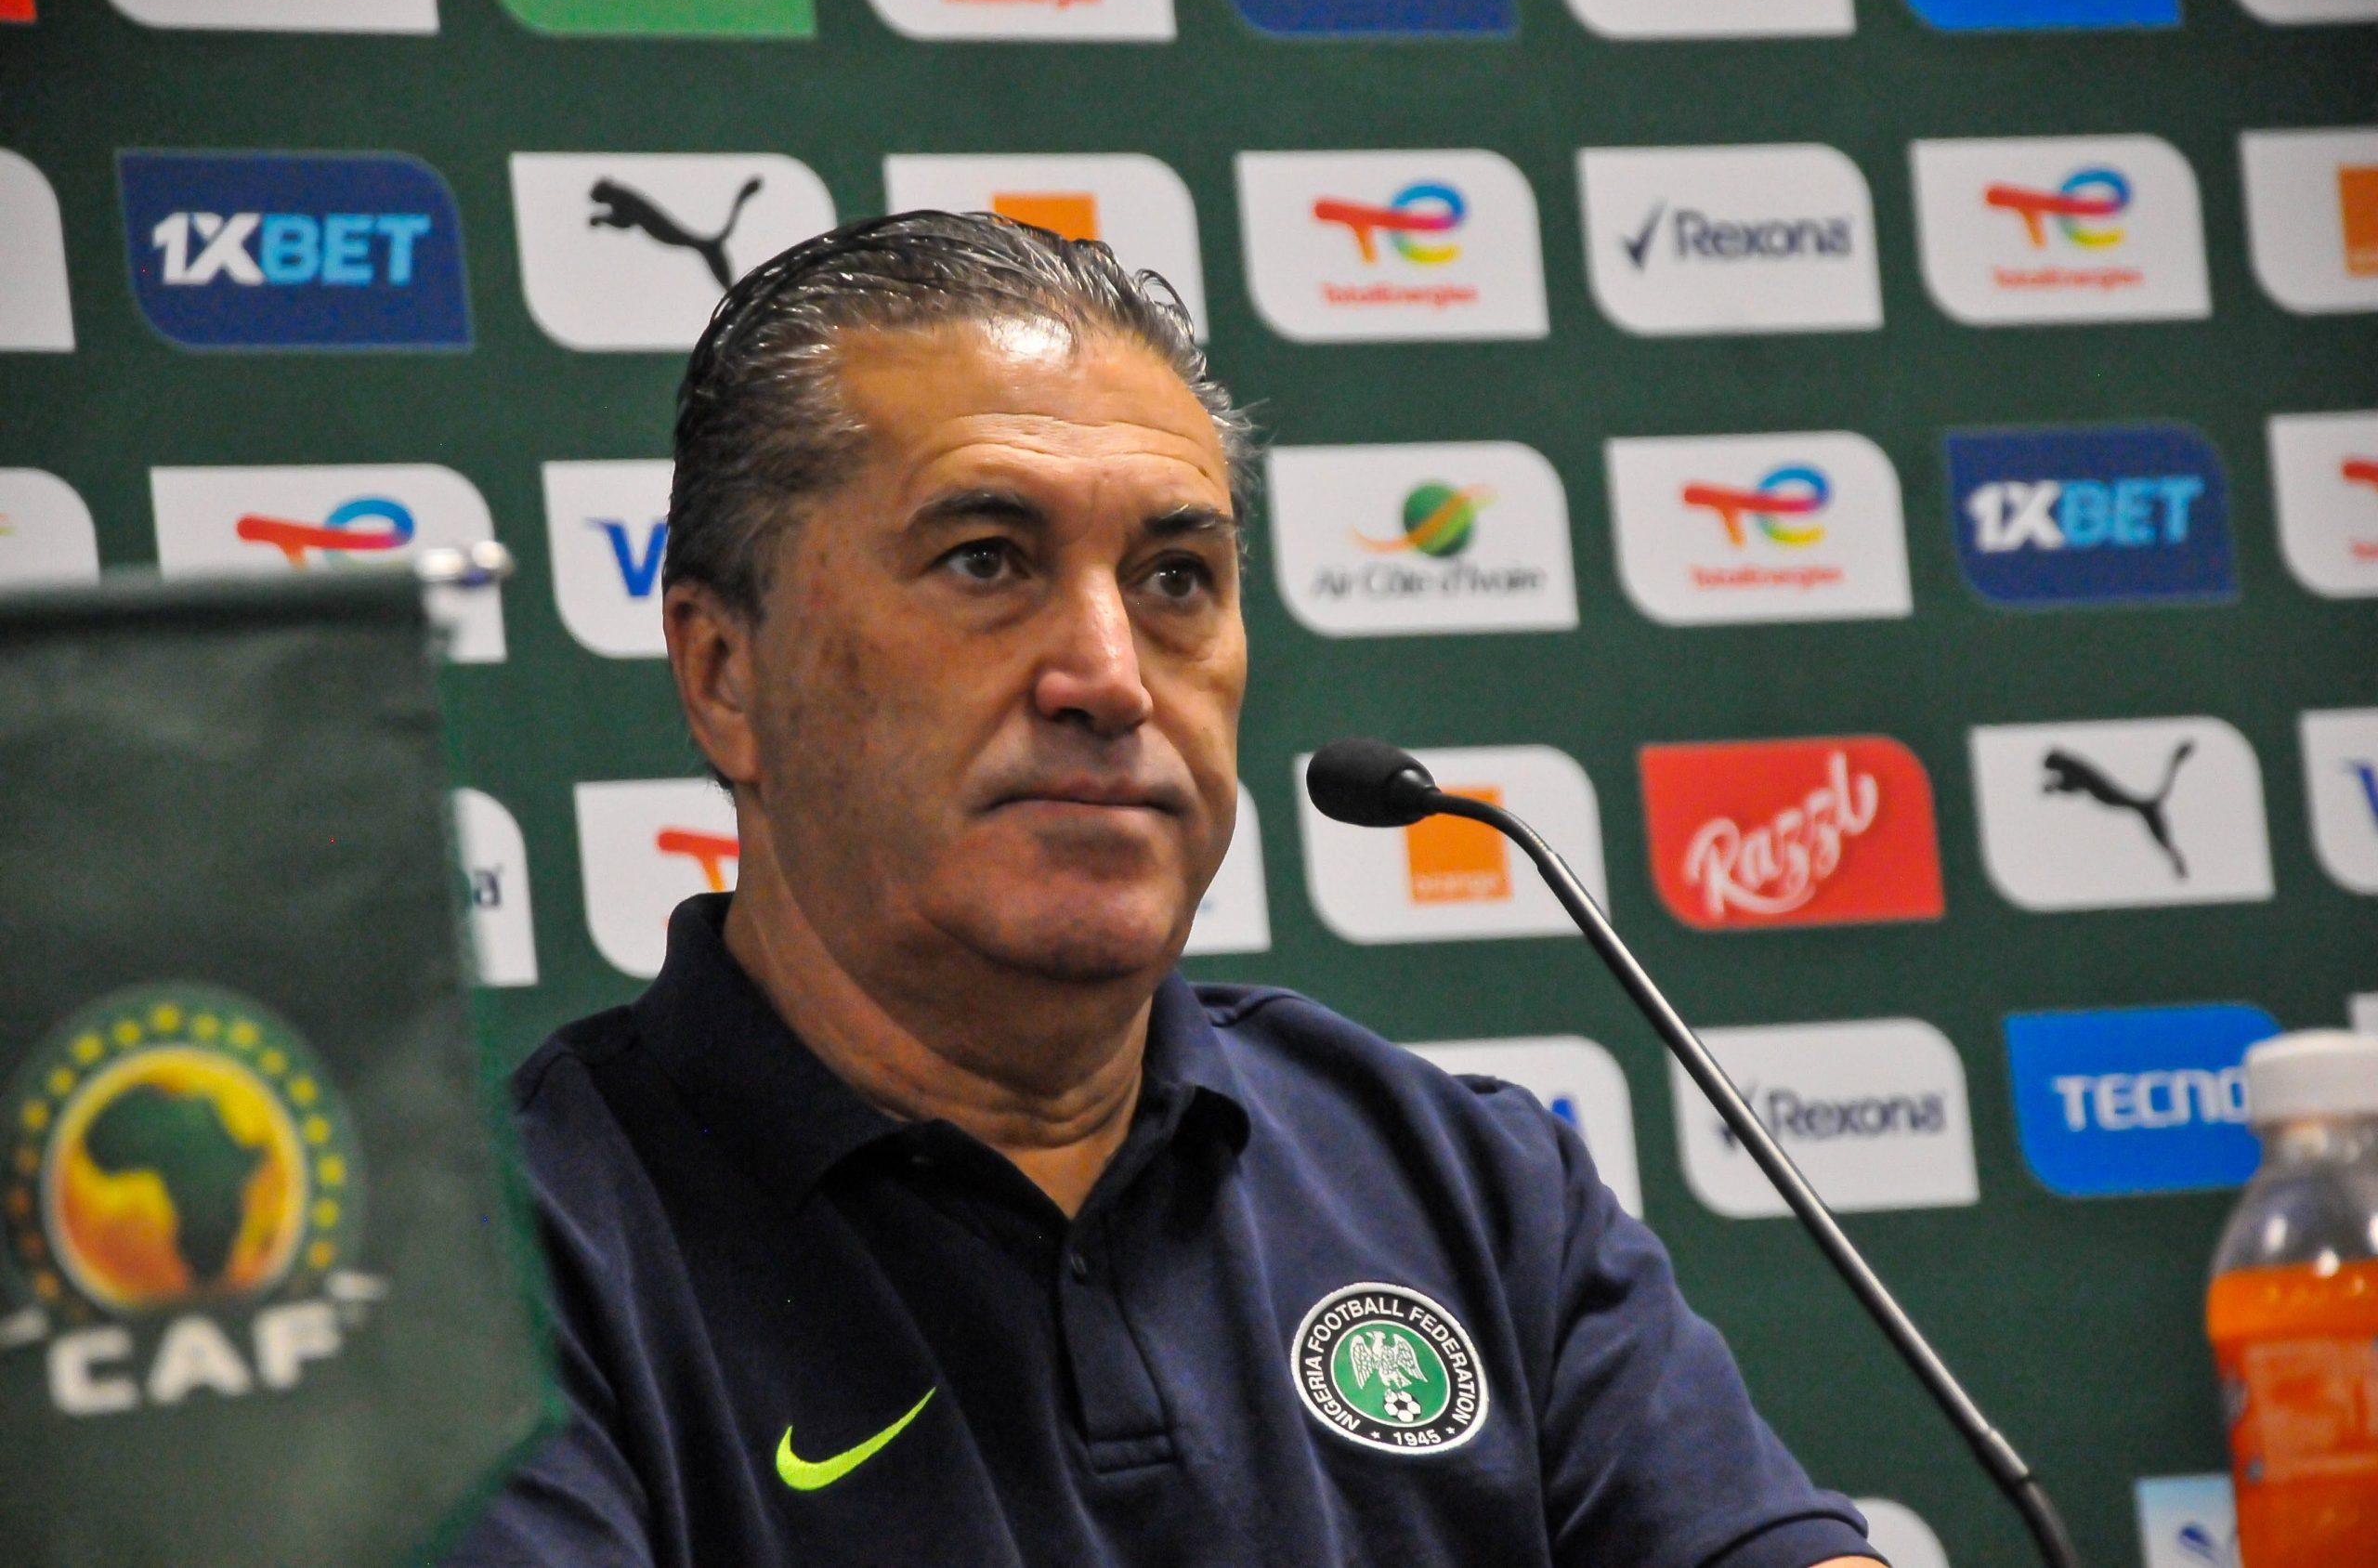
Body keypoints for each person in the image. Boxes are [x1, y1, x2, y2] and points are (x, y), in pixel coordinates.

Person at [447, 212, 1883, 1568]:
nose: (1113, 677)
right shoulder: (496, 1284)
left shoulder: (1461, 1181)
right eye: (987, 561)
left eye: (1177, 577)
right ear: (725, 674)